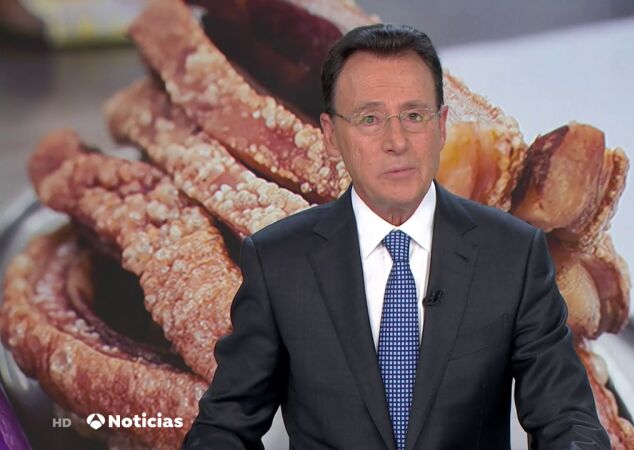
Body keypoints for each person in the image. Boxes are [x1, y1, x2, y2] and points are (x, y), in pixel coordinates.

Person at [182, 23, 610, 450]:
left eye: (414, 116)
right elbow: (224, 426)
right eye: (369, 119)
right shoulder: (278, 259)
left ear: (443, 126)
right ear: (331, 136)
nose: (396, 142)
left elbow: (566, 417)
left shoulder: (513, 254)